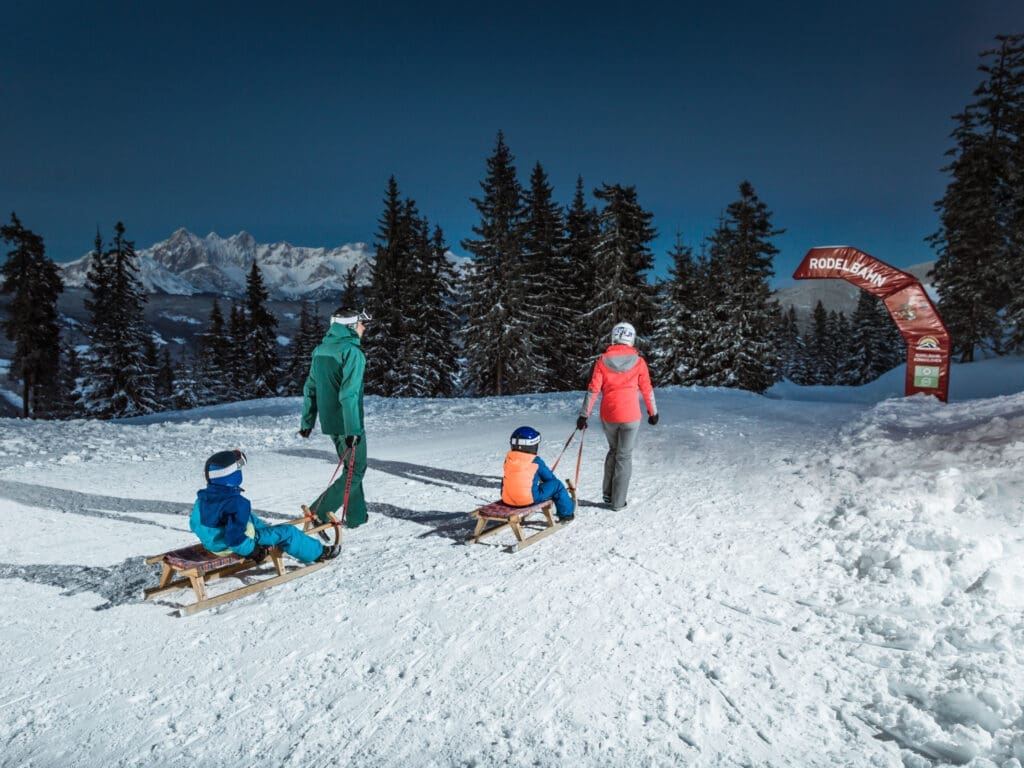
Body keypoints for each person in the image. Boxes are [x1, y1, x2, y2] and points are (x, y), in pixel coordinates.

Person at [190, 449, 340, 563]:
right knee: (288, 532)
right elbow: (234, 540)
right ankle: (319, 553)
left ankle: (264, 532)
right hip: (229, 546)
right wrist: (253, 550)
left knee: (246, 516)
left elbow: (194, 524)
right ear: (232, 476)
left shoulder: (202, 498)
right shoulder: (237, 503)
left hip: (212, 543)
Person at [299, 307, 370, 528]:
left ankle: (357, 516)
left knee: (351, 468)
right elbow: (349, 394)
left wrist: (307, 422)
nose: (364, 327)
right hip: (348, 423)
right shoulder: (352, 353)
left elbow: (310, 387)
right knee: (356, 469)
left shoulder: (320, 350)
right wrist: (353, 430)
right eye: (361, 323)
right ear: (350, 326)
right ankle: (318, 512)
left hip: (330, 422)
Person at [577, 321, 658, 511]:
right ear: (631, 338)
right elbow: (647, 389)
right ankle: (618, 502)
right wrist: (653, 412)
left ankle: (608, 493)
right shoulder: (639, 362)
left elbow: (593, 390)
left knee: (613, 450)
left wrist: (584, 415)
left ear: (614, 337)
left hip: (609, 414)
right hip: (631, 416)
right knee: (624, 456)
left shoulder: (602, 362)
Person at [501, 426, 575, 521]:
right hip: (528, 500)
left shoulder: (508, 459)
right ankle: (567, 514)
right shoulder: (535, 460)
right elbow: (550, 479)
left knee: (509, 478)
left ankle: (512, 496)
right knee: (557, 485)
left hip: (507, 500)